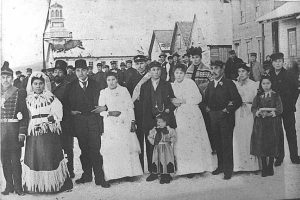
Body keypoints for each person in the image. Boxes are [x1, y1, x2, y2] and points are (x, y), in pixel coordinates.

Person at [23, 71, 73, 193]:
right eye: (35, 84)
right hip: (34, 132)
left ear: (44, 84)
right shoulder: (27, 100)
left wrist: (48, 121)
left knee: (49, 156)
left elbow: (58, 112)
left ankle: (54, 185)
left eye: (40, 83)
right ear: (32, 85)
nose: (38, 86)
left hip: (48, 131)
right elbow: (26, 115)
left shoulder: (51, 98)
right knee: (35, 156)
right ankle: (36, 186)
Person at [63, 59, 110, 188]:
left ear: (88, 71)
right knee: (84, 150)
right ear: (75, 71)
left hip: (94, 120)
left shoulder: (97, 84)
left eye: (83, 70)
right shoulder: (70, 86)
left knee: (95, 149)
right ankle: (87, 175)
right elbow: (65, 104)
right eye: (78, 70)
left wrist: (105, 108)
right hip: (79, 122)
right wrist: (71, 112)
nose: (81, 73)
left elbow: (107, 99)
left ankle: (100, 178)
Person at [98, 72, 143, 182]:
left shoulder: (124, 90)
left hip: (124, 121)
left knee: (125, 147)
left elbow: (130, 107)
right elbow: (100, 111)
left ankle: (129, 173)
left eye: (113, 79)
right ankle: (113, 175)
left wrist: (132, 121)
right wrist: (109, 113)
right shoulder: (103, 92)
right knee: (113, 148)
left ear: (117, 79)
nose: (111, 82)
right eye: (109, 80)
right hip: (110, 124)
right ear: (106, 81)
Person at [172, 64, 215, 177]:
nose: (179, 75)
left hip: (192, 113)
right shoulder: (173, 85)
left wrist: (184, 100)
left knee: (194, 139)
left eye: (181, 73)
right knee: (183, 139)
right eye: (176, 73)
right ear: (173, 74)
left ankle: (198, 166)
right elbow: (171, 99)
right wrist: (174, 102)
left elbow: (198, 98)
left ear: (185, 74)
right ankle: (186, 168)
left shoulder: (190, 83)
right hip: (180, 114)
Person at [204, 60, 242, 180]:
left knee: (226, 144)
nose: (213, 71)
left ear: (222, 69)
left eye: (216, 68)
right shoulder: (210, 84)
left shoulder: (228, 83)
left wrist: (227, 110)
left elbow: (237, 100)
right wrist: (207, 109)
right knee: (217, 143)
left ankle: (227, 170)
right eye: (212, 68)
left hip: (226, 118)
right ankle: (220, 166)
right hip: (213, 118)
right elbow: (205, 100)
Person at [140, 60, 176, 181]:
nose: (156, 72)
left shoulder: (167, 84)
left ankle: (166, 173)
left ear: (161, 71)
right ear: (149, 72)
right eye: (153, 70)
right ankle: (153, 171)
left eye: (158, 69)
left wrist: (167, 111)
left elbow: (173, 101)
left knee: (164, 145)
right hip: (150, 120)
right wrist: (147, 121)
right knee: (151, 146)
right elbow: (143, 105)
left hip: (164, 120)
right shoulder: (144, 86)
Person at [1, 62, 28, 196]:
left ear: (12, 78)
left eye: (8, 77)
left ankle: (18, 187)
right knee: (4, 161)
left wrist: (22, 132)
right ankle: (9, 186)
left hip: (13, 130)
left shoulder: (19, 93)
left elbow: (24, 115)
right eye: (3, 77)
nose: (5, 80)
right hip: (1, 132)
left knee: (16, 161)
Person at [269, 53, 300, 166]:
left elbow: (296, 90)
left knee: (291, 132)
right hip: (274, 109)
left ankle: (294, 156)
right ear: (272, 63)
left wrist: (291, 103)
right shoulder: (269, 75)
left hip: (287, 108)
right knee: (277, 133)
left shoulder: (289, 74)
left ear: (283, 62)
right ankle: (279, 157)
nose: (278, 63)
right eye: (275, 61)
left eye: (280, 61)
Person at [250, 75, 283, 177]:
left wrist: (271, 113)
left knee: (272, 143)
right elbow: (253, 108)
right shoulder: (258, 96)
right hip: (261, 123)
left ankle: (270, 166)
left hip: (272, 123)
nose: (265, 86)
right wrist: (258, 113)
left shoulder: (276, 95)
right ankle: (264, 166)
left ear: (271, 84)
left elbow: (280, 108)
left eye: (268, 83)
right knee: (262, 143)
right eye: (263, 83)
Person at [185, 46, 215, 153]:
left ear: (201, 58)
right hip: (191, 101)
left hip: (203, 100)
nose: (195, 60)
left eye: (197, 57)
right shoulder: (188, 70)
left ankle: (210, 147)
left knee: (206, 123)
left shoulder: (206, 70)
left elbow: (211, 84)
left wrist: (200, 88)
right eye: (193, 57)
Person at [232, 63, 260, 172]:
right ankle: (240, 165)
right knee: (239, 135)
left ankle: (253, 166)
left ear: (248, 72)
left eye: (243, 71)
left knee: (250, 135)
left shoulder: (254, 84)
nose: (241, 74)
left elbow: (257, 99)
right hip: (238, 111)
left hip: (249, 110)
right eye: (239, 72)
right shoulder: (235, 84)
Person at [52, 60, 75, 178]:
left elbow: (72, 104)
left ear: (64, 73)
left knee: (67, 147)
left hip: (66, 121)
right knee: (54, 146)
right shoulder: (48, 86)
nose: (57, 74)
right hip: (51, 122)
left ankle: (70, 170)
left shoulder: (69, 85)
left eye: (60, 72)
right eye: (55, 71)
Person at [130, 55, 151, 171]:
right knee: (138, 140)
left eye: (142, 63)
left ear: (146, 64)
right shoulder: (131, 78)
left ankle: (152, 168)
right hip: (137, 112)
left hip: (149, 112)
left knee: (150, 140)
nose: (140, 66)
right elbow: (129, 97)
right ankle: (140, 168)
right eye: (137, 64)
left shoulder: (151, 76)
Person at [147, 114, 176, 184]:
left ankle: (166, 175)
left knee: (166, 160)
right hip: (158, 148)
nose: (159, 123)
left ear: (166, 122)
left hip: (166, 148)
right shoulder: (155, 130)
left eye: (161, 122)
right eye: (158, 122)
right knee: (157, 160)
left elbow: (174, 137)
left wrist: (171, 140)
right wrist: (153, 142)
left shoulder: (169, 130)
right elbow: (150, 137)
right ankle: (158, 173)